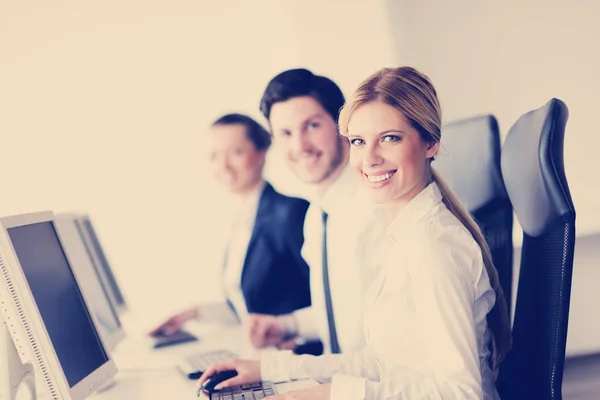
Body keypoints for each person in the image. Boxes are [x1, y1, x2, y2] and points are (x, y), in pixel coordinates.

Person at [197, 67, 512, 399]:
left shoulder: (431, 246)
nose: (370, 158)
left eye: (390, 138)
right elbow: (383, 363)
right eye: (360, 141)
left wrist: (328, 395)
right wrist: (271, 369)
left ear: (430, 142)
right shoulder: (401, 234)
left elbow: (462, 393)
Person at [245, 68, 383, 356]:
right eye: (285, 133)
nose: (300, 146)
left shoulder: (377, 209)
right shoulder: (318, 216)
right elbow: (345, 312)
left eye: (312, 126)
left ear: (342, 124)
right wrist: (286, 325)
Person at [149, 113, 311, 335]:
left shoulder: (291, 212)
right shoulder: (239, 217)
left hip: (298, 356)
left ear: (261, 154)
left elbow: (325, 302)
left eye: (236, 152)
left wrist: (293, 334)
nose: (223, 165)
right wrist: (192, 314)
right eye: (214, 156)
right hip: (264, 353)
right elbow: (249, 307)